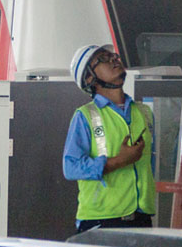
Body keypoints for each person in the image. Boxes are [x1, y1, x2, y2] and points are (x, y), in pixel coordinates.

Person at [63, 44, 155, 233]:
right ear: (89, 77)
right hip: (101, 221)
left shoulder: (144, 112)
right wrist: (120, 161)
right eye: (103, 59)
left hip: (141, 219)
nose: (114, 59)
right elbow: (70, 167)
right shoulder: (85, 116)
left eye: (113, 55)